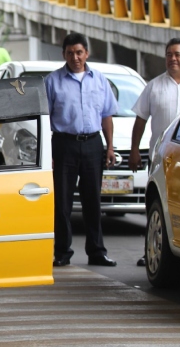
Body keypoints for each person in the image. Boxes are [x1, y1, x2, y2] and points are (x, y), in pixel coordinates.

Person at [129, 38, 180, 266]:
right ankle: (153, 250)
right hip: (161, 158)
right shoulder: (154, 86)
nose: (172, 59)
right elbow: (141, 120)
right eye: (169, 55)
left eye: (177, 55)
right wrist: (135, 150)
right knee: (157, 205)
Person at [45, 32, 118, 268]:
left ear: (86, 53)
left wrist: (109, 147)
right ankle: (62, 252)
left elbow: (106, 115)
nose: (75, 57)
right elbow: (45, 120)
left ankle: (97, 251)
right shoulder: (52, 81)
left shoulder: (99, 80)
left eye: (79, 52)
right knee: (62, 203)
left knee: (93, 201)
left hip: (93, 144)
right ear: (63, 54)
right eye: (70, 53)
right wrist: (49, 153)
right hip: (64, 145)